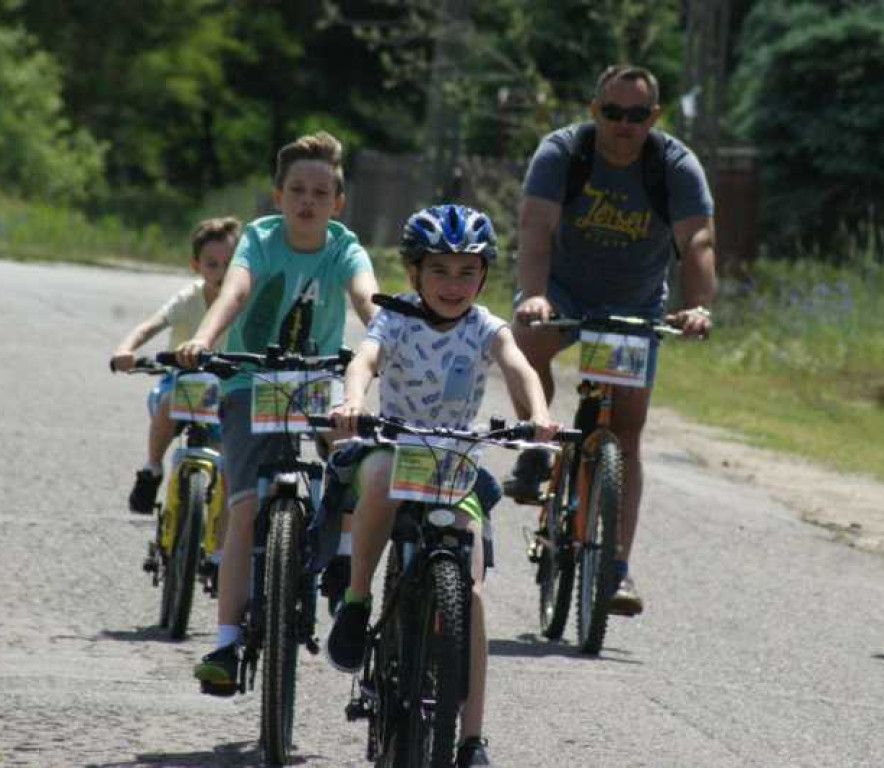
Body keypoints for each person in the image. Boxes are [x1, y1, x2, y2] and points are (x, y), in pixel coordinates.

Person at [326, 204, 560, 768]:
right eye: (439, 270)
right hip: (394, 444)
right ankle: (357, 601)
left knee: (472, 593)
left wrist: (542, 414)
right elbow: (365, 359)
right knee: (377, 474)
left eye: (466, 271)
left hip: (455, 463)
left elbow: (519, 367)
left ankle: (471, 737)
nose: (453, 284)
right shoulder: (397, 317)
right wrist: (354, 402)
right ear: (413, 273)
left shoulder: (485, 325)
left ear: (483, 275)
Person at [503, 64, 716, 616]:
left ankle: (617, 569)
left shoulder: (673, 165)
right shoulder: (562, 154)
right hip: (563, 292)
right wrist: (533, 294)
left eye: (638, 115)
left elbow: (698, 240)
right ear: (595, 110)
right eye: (613, 113)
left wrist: (697, 306)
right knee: (529, 342)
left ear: (655, 117)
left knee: (625, 429)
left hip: (633, 302)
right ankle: (537, 442)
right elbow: (534, 227)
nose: (625, 124)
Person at [176, 131, 378, 694]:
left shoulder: (344, 246)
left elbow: (367, 297)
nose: (307, 201)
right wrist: (202, 338)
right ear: (277, 196)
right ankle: (224, 642)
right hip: (249, 381)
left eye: (320, 192)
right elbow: (235, 293)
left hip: (318, 382)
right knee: (244, 508)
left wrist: (383, 337)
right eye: (296, 190)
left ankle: (339, 554)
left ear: (337, 201)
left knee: (353, 454)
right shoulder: (260, 240)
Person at [110, 217, 241, 513]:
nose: (221, 272)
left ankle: (217, 537)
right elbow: (150, 326)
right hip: (186, 383)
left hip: (227, 389)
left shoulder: (244, 300)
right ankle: (152, 469)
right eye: (212, 264)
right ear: (195, 266)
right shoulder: (188, 299)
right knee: (170, 401)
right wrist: (125, 349)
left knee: (227, 467)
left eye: (229, 264)